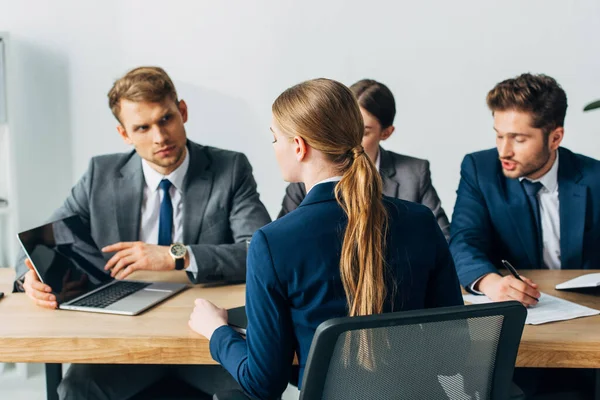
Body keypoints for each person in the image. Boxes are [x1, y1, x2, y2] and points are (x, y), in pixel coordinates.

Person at [189, 78, 463, 399]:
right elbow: (452, 355)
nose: (274, 148)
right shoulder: (420, 221)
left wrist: (217, 331)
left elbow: (263, 383)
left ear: (299, 146)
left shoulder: (272, 242)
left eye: (275, 139)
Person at [15, 66, 272, 399]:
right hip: (125, 340)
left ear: (182, 112)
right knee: (78, 388)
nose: (159, 137)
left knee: (251, 390)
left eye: (165, 119)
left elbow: (260, 252)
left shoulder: (229, 169)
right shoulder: (101, 174)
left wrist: (175, 255)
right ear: (124, 134)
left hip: (207, 337)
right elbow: (40, 241)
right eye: (142, 127)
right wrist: (30, 277)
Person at [450, 73, 600, 307]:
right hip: (520, 311)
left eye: (518, 139)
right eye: (499, 136)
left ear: (555, 138)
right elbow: (464, 241)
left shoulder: (594, 177)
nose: (504, 151)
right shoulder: (480, 170)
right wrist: (491, 283)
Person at [278, 79, 450, 238]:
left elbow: (443, 237)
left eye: (364, 132)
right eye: (345, 128)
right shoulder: (307, 172)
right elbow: (281, 239)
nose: (351, 138)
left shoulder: (414, 173)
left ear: (386, 133)